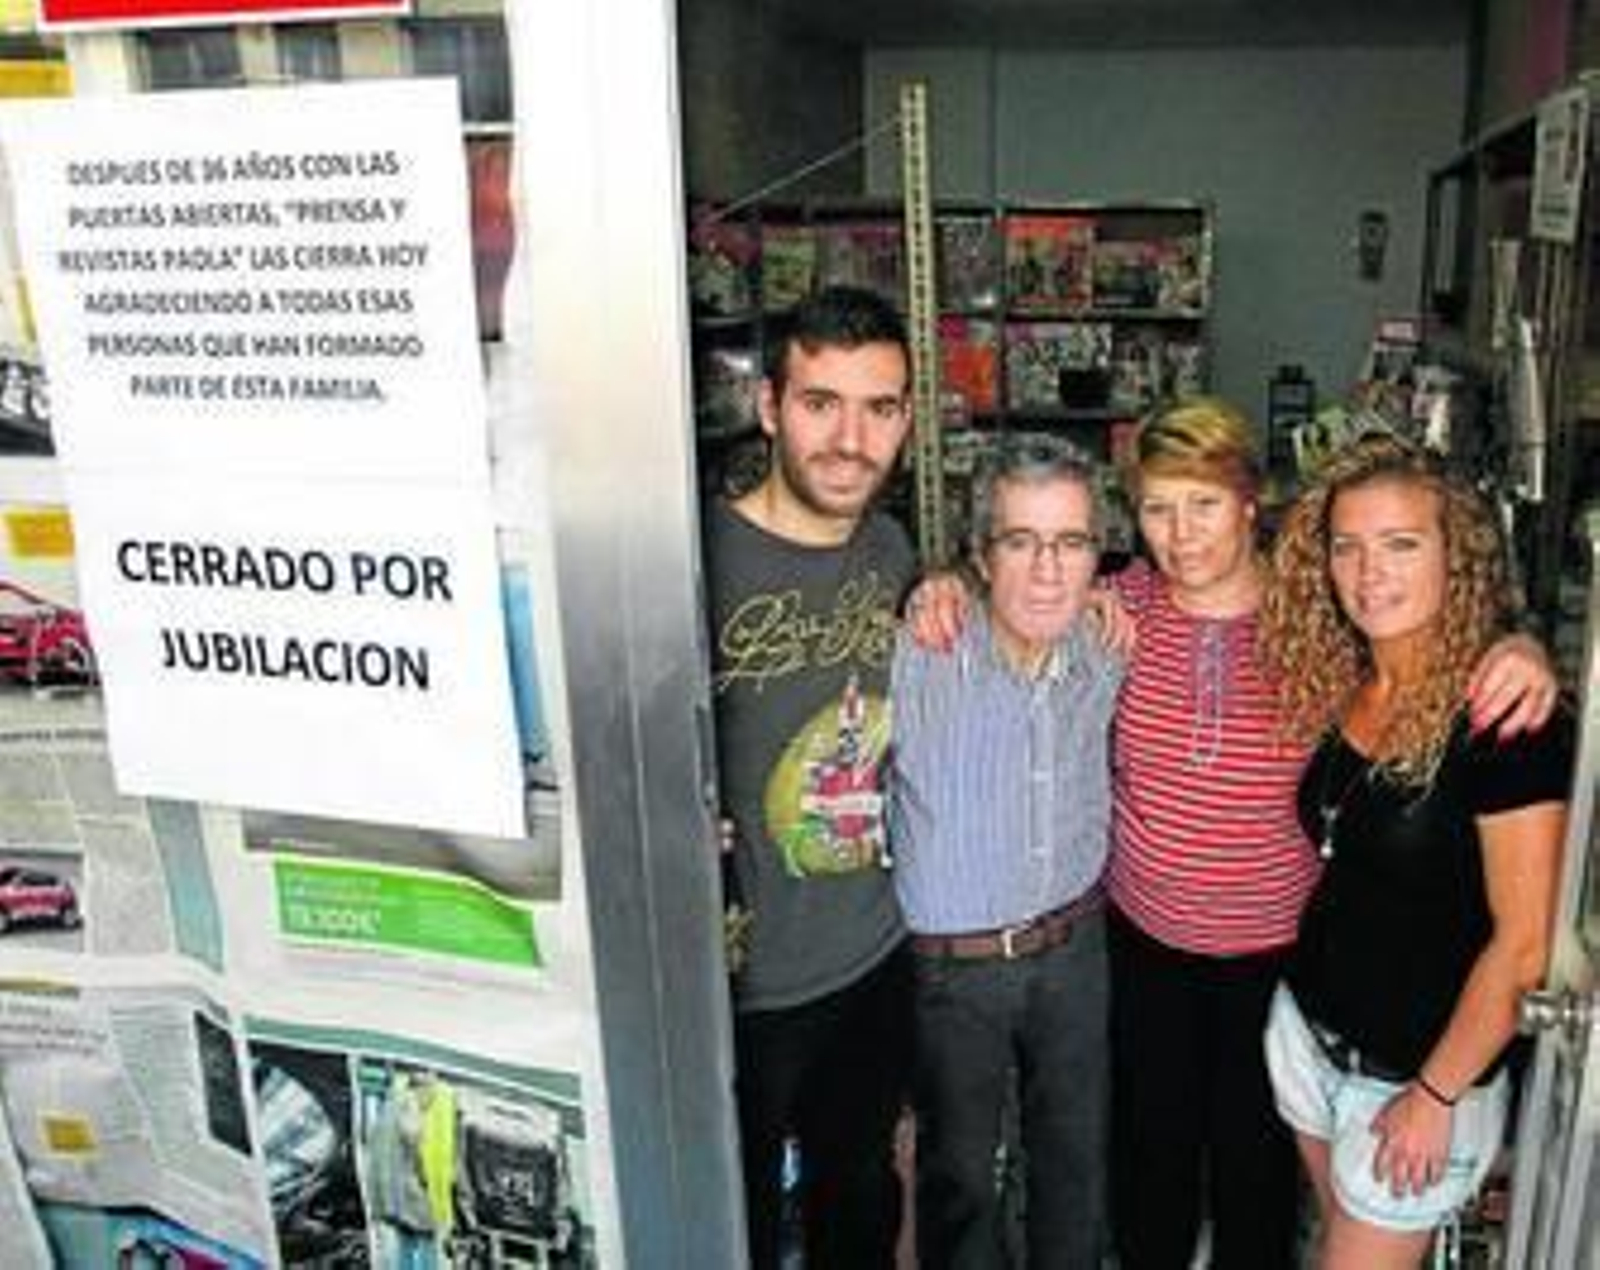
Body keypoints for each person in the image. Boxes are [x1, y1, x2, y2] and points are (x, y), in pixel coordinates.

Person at [906, 398, 1557, 1270]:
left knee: (1254, 1174)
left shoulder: (1321, 617)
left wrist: (1522, 644)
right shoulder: (1115, 607)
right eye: (1157, 508)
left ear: (1250, 504)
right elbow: (1024, 580)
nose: (1180, 533)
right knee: (1148, 1160)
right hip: (1143, 947)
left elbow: (1432, 638)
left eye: (1203, 504)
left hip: (1276, 957)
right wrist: (943, 578)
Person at [1259, 434, 1572, 1268]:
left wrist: (1435, 1095)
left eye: (1402, 544)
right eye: (1347, 547)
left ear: (1454, 558)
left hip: (1416, 1080)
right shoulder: (1352, 678)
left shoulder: (1507, 720)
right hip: (1306, 1037)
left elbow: (1528, 943)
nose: (1371, 573)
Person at [704, 284, 916, 1268]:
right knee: (729, 1223)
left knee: (859, 1209)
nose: (849, 438)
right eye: (821, 402)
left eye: (879, 408)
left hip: (869, 956)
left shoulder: (890, 549)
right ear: (769, 406)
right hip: (735, 987)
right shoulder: (690, 557)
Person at [890, 434, 1121, 1269]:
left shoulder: (1107, 647)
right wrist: (928, 587)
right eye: (1021, 541)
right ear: (981, 556)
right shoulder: (918, 654)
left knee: (1074, 1165)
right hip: (954, 973)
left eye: (1070, 542)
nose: (1048, 571)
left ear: (1099, 553)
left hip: (1075, 950)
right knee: (963, 1186)